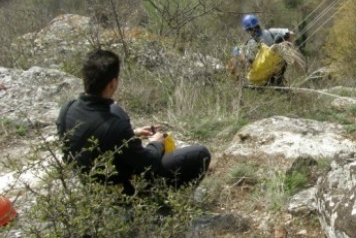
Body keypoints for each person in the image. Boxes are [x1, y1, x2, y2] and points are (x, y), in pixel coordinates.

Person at [56, 49, 211, 197]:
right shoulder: (115, 128)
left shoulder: (67, 109)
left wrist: (132, 134)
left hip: (91, 181)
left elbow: (81, 141)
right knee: (200, 154)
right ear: (112, 84)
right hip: (121, 189)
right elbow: (148, 163)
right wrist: (156, 143)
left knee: (115, 108)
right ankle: (161, 201)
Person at [240, 13, 294, 85]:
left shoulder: (251, 43)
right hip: (278, 72)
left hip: (262, 78)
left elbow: (249, 62)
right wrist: (288, 47)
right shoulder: (271, 32)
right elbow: (291, 33)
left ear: (249, 30)